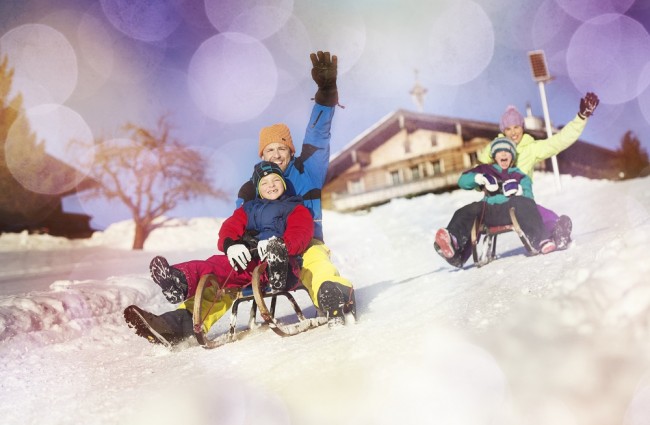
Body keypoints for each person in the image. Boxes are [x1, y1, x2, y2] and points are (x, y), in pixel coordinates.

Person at [124, 51, 356, 345]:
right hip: (262, 255)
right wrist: (235, 245)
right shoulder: (252, 190)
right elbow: (239, 222)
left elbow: (319, 135)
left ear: (291, 150)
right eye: (269, 150)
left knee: (317, 264)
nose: (276, 154)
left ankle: (335, 294)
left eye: (281, 148)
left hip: (304, 247)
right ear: (262, 156)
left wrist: (325, 94)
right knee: (227, 274)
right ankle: (178, 322)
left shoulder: (307, 170)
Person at [123, 161, 314, 345]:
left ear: (283, 183)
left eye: (275, 180)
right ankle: (178, 282)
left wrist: (279, 245)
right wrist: (230, 245)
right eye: (264, 183)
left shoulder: (295, 207)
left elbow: (301, 233)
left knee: (273, 260)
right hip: (252, 263)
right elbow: (229, 227)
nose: (270, 186)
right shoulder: (248, 209)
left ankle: (278, 270)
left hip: (281, 261)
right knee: (216, 265)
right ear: (257, 188)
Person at [477, 92, 600, 249]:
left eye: (516, 127)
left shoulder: (531, 149)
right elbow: (477, 170)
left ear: (522, 127)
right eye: (508, 129)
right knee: (472, 216)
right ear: (503, 131)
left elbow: (559, 141)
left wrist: (581, 117)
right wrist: (483, 181)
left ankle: (557, 231)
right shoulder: (494, 148)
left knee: (543, 214)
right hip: (497, 205)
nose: (513, 132)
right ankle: (456, 248)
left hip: (522, 203)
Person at [434, 137, 556, 267]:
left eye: (507, 151)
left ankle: (542, 239)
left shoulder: (519, 175)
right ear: (494, 156)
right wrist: (479, 178)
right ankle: (453, 240)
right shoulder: (485, 169)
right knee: (469, 209)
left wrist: (519, 191)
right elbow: (462, 181)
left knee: (525, 204)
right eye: (499, 152)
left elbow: (529, 198)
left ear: (512, 156)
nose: (503, 154)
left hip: (511, 210)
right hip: (488, 210)